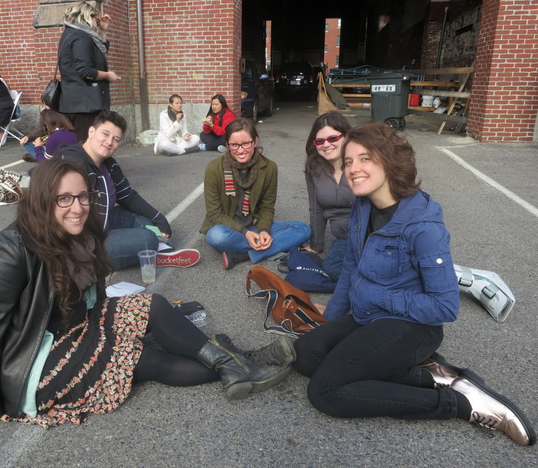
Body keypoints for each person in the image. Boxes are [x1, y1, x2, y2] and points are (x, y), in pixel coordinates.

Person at [0, 158, 295, 431]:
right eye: (64, 198)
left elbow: (93, 295)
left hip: (74, 323)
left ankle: (234, 362)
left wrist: (112, 324)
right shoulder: (8, 253)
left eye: (83, 196)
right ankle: (251, 362)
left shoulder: (79, 231)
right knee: (135, 357)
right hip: (36, 357)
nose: (77, 207)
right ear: (42, 200)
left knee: (153, 305)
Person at [292, 122, 536, 446]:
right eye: (348, 161)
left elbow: (445, 307)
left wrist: (377, 296)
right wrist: (332, 322)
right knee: (305, 355)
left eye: (365, 159)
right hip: (368, 316)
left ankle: (461, 403)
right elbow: (350, 266)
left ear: (390, 161)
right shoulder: (362, 206)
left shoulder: (423, 226)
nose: (353, 169)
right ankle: (429, 375)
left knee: (326, 391)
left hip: (413, 325)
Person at [56, 110, 200, 270]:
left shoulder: (109, 164)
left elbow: (128, 196)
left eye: (116, 139)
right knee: (147, 237)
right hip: (83, 239)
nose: (109, 142)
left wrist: (159, 218)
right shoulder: (73, 165)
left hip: (104, 222)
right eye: (105, 134)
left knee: (140, 219)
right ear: (91, 132)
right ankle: (155, 248)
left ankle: (155, 248)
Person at [200, 117, 311, 270]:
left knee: (303, 229)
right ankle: (271, 247)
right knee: (216, 236)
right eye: (234, 145)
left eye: (246, 143)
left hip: (254, 225)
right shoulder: (214, 168)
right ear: (227, 144)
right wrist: (245, 233)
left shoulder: (269, 167)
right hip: (228, 228)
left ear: (255, 141)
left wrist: (264, 230)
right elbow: (214, 213)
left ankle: (244, 255)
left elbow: (266, 207)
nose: (240, 150)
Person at [301, 111, 354, 292]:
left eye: (333, 138)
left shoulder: (361, 164)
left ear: (346, 137)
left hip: (369, 233)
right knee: (331, 268)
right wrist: (316, 245)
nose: (326, 145)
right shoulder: (314, 168)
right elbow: (315, 209)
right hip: (344, 238)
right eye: (320, 141)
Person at [58, 1, 121, 140]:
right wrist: (108, 75)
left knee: (86, 142)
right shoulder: (80, 37)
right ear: (87, 17)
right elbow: (85, 71)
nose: (98, 23)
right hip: (84, 104)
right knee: (86, 143)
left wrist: (103, 31)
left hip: (79, 102)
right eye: (97, 20)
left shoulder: (73, 33)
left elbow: (100, 54)